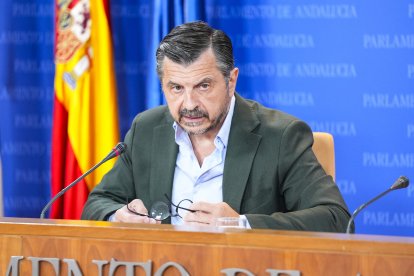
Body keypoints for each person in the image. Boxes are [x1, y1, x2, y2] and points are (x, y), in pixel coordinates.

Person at [81, 21, 351, 232]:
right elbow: (97, 203)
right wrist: (119, 215)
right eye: (176, 88)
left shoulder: (281, 136)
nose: (189, 104)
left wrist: (241, 224)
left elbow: (336, 219)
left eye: (203, 86)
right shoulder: (146, 129)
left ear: (231, 80)